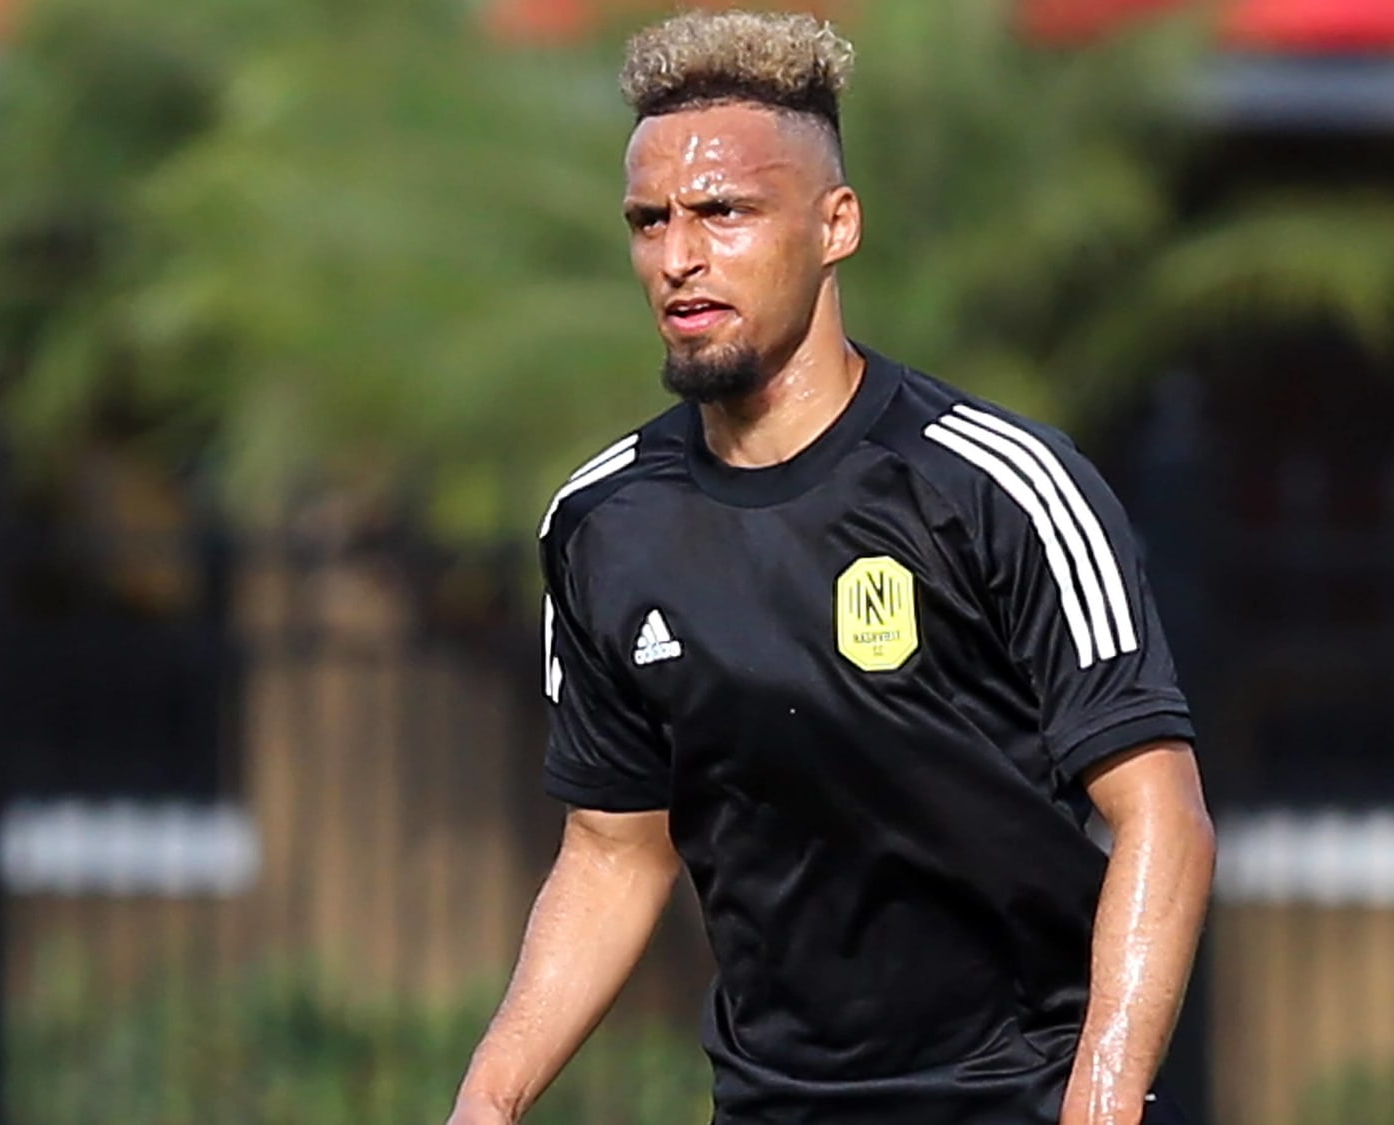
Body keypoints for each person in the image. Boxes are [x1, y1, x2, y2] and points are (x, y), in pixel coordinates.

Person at [447, 10, 1215, 1124]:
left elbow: (1160, 815)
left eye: (724, 212)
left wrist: (1100, 1097)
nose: (678, 256)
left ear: (834, 223)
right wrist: (489, 1099)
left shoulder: (994, 486)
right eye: (649, 220)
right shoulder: (604, 521)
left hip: (1017, 1097)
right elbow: (614, 855)